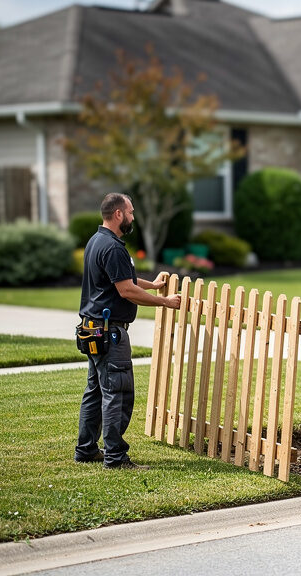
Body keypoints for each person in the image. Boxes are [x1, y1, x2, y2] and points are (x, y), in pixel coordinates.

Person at [74, 192, 181, 469]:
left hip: (92, 328)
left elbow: (124, 280)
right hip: (109, 333)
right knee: (117, 393)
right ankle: (116, 457)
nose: (133, 217)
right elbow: (126, 290)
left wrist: (154, 286)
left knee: (96, 391)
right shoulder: (113, 247)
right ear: (119, 214)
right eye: (131, 212)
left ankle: (86, 449)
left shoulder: (96, 241)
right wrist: (165, 302)